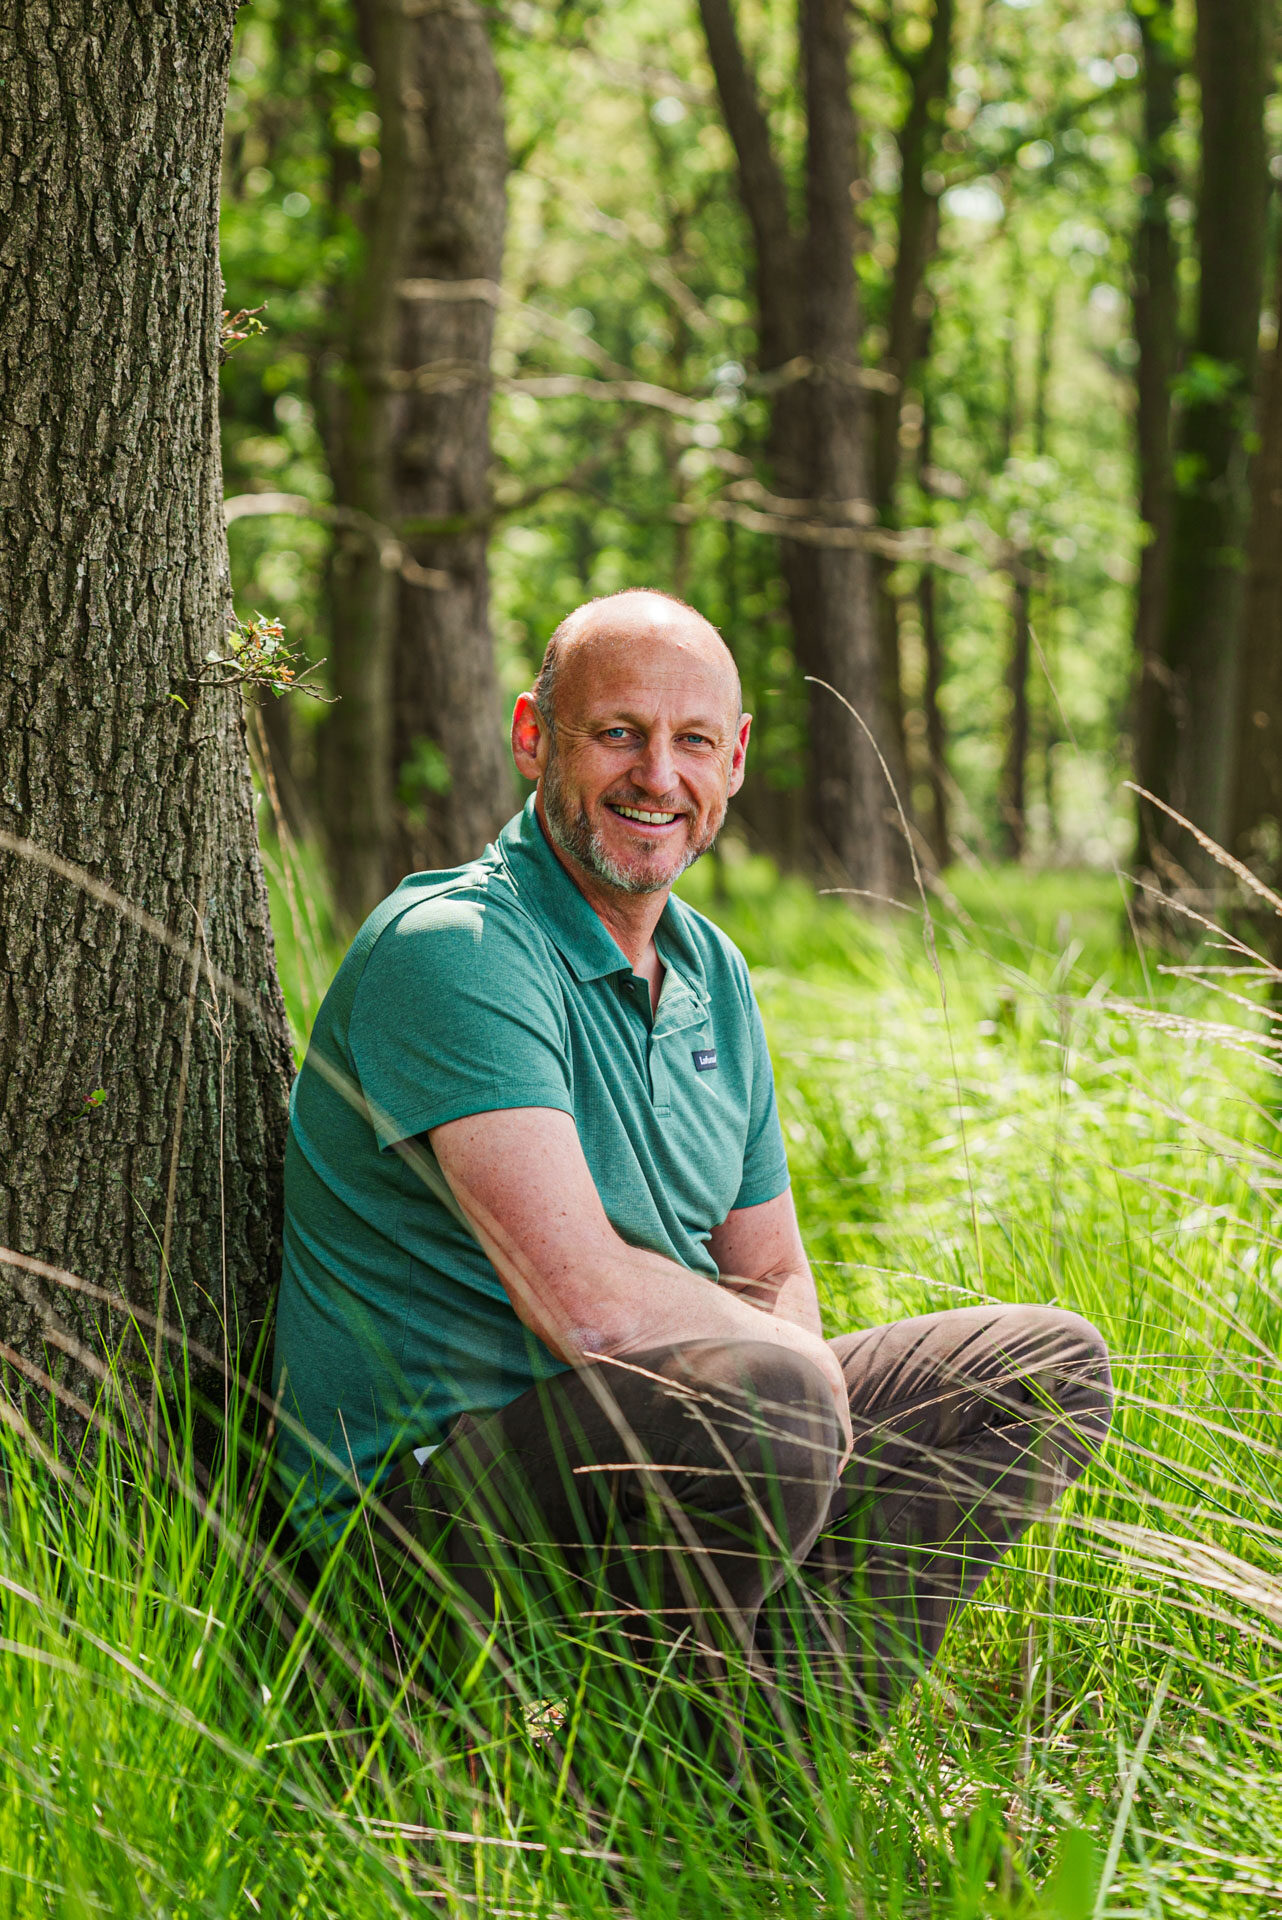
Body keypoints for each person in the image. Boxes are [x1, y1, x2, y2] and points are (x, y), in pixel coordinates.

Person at [271, 588, 1112, 1748]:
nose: (655, 775)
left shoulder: (710, 968)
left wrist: (796, 1383)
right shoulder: (456, 952)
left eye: (692, 741)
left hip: (652, 1441)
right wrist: (803, 1393)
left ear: (736, 759)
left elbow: (769, 1269)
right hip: (411, 1525)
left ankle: (741, 1786)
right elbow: (591, 1313)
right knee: (770, 1404)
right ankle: (683, 1813)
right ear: (534, 736)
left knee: (1039, 1369)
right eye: (616, 732)